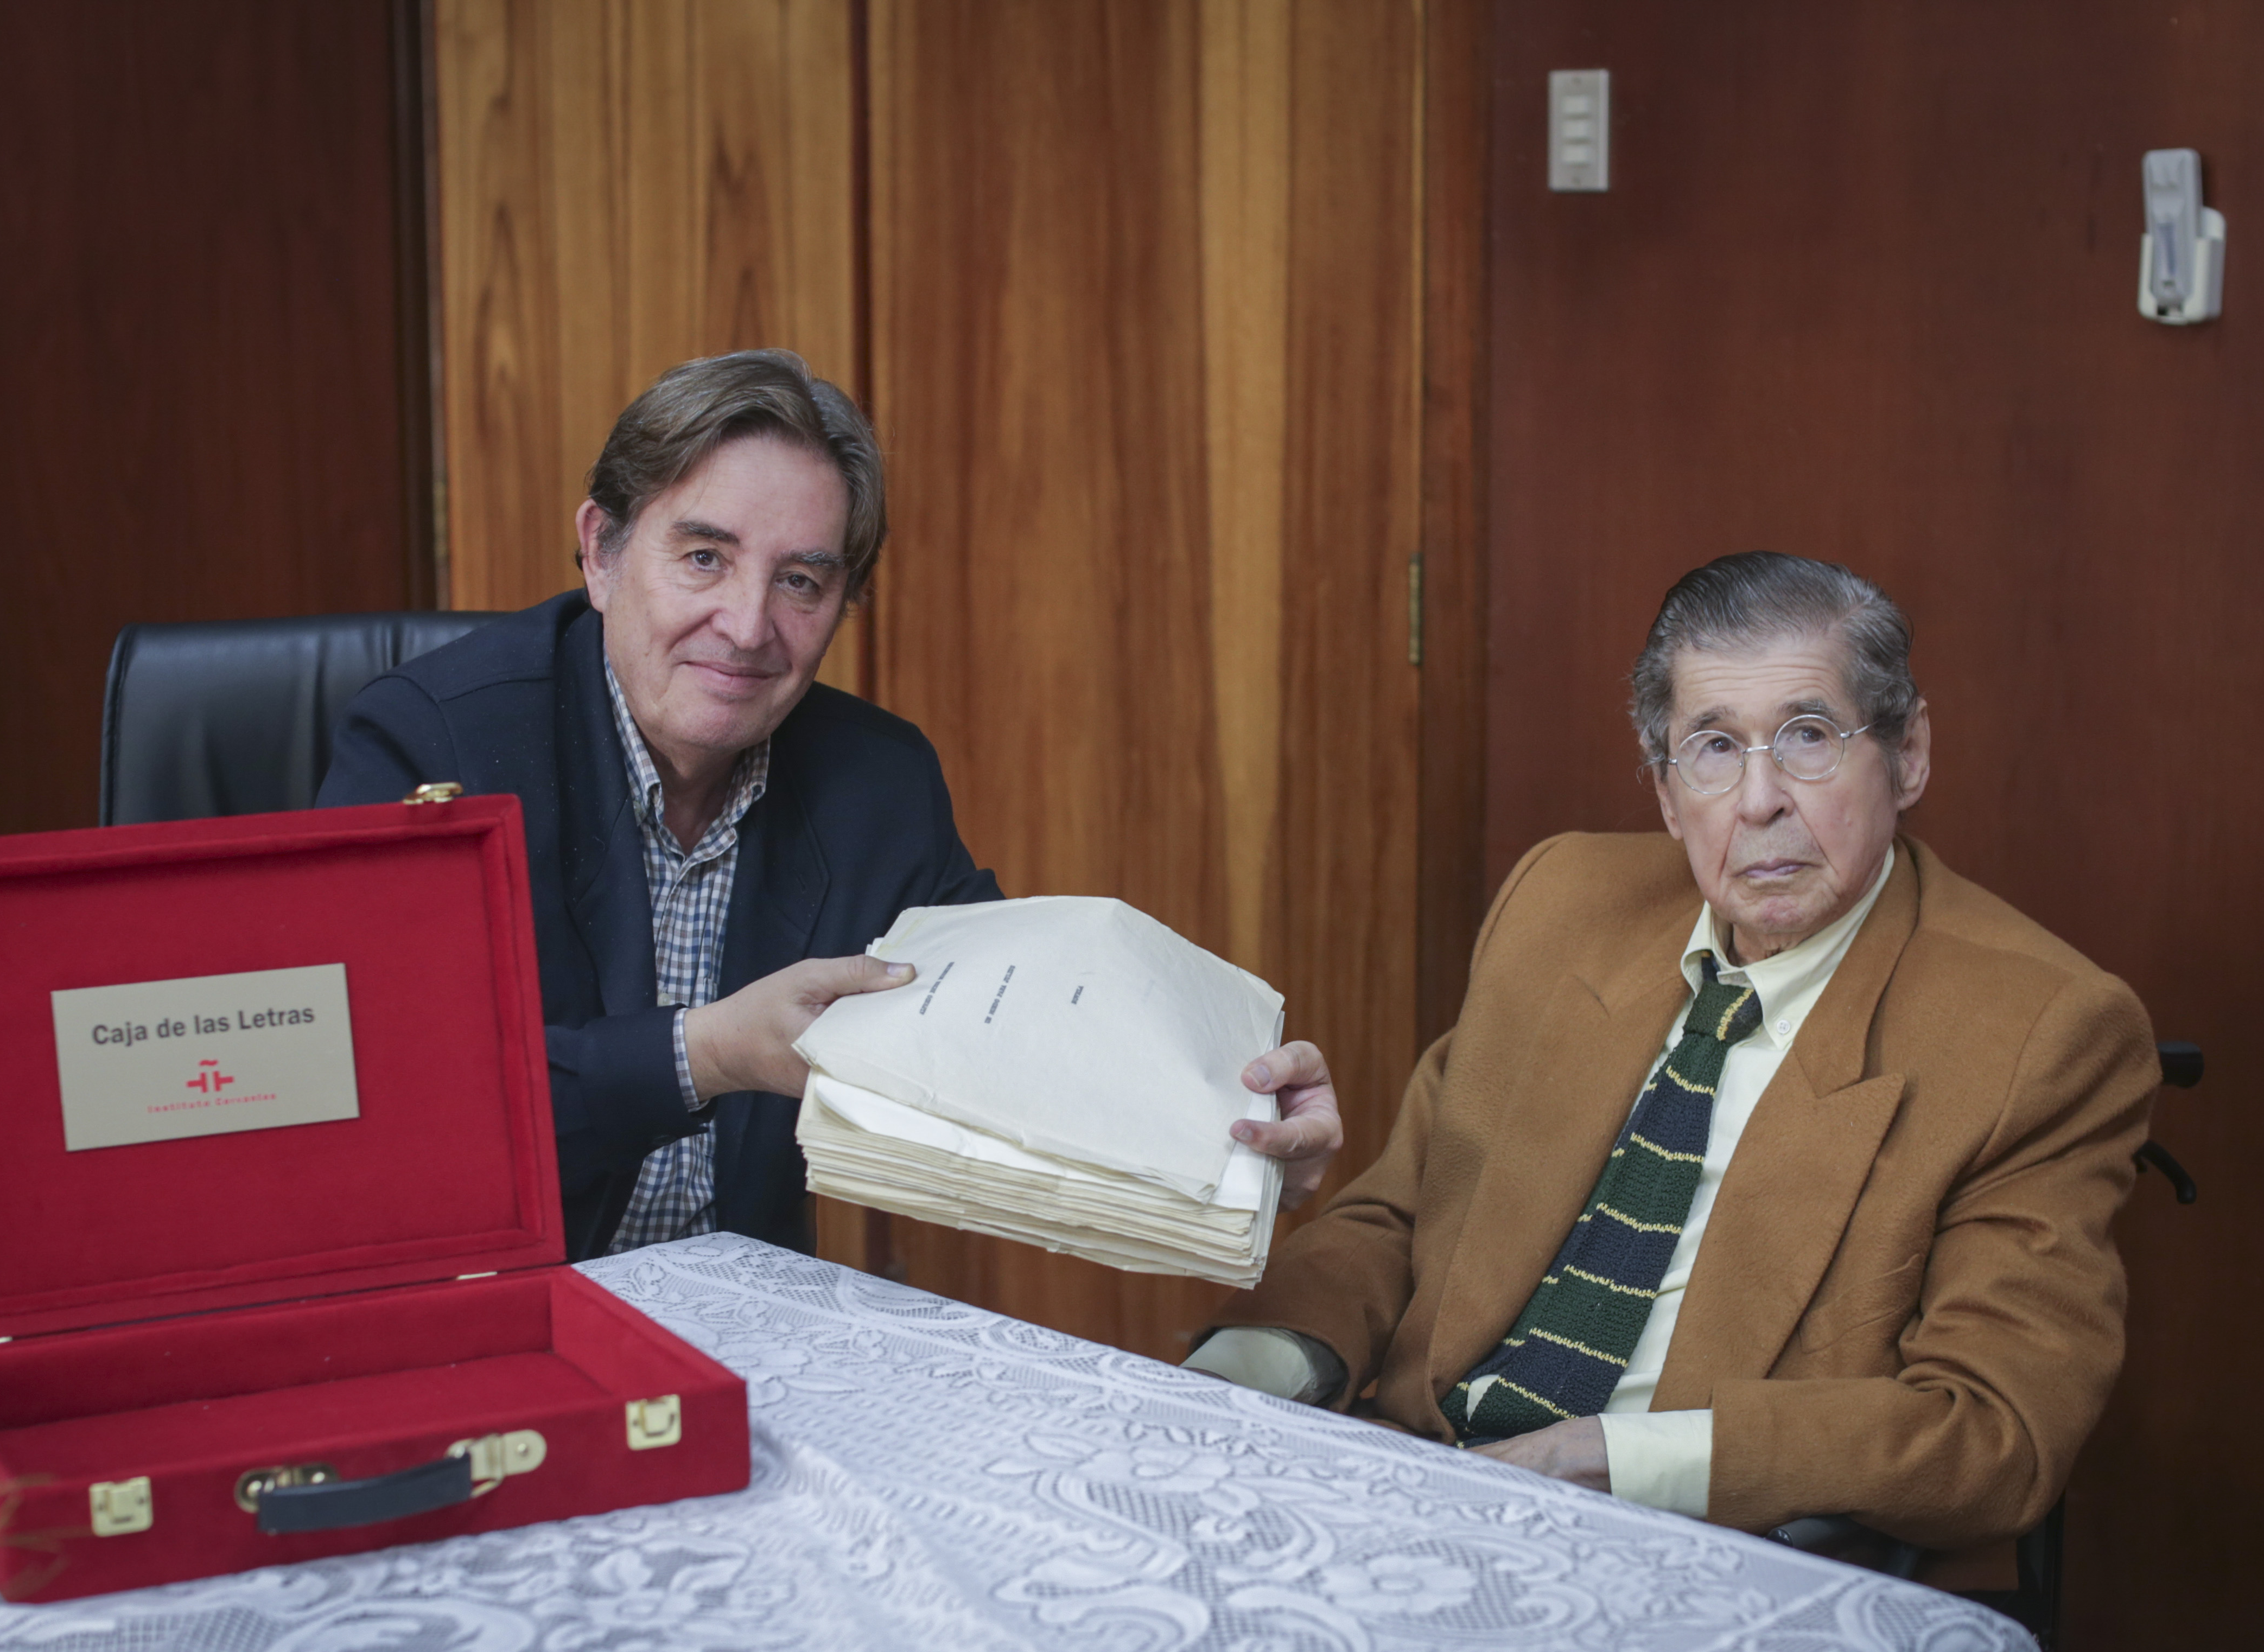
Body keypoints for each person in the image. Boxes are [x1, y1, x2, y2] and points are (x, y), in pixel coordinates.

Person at [1186, 551, 2158, 1585]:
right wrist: (1251, 1368)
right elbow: (1399, 1222)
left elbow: (1991, 1435)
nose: (1758, 801)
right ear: (1663, 790)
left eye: (1808, 738)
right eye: (1711, 748)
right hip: (1421, 1493)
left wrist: (1617, 1461)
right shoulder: (1562, 900)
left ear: (1908, 753)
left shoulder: (2044, 1030)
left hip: (1698, 1555)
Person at [320, 350, 1339, 1258]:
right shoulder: (434, 743)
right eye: (704, 557)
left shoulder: (875, 783)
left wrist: (1235, 1138)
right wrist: (705, 1055)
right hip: (483, 1308)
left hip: (751, 1333)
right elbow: (385, 1108)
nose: (748, 625)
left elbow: (1018, 1040)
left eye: (800, 582)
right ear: (601, 550)